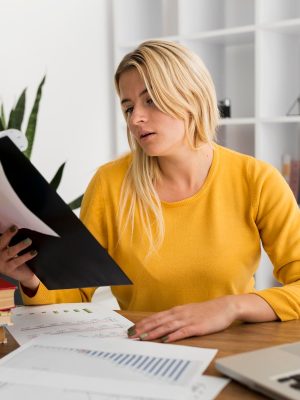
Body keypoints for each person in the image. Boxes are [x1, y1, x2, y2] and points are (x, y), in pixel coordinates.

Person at [1, 40, 300, 343]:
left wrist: (231, 307)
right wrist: (31, 278)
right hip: (144, 352)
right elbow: (76, 298)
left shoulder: (256, 179)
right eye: (128, 107)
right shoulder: (110, 184)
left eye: (151, 101)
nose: (135, 119)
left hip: (231, 348)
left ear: (191, 97)